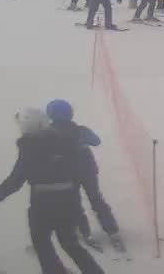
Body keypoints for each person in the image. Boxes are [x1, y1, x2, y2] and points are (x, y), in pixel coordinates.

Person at [0, 108, 105, 274]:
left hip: (42, 208)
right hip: (69, 204)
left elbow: (14, 182)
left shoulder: (29, 149)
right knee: (70, 244)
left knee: (42, 245)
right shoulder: (66, 142)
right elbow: (81, 170)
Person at [45, 99, 121, 250]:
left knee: (75, 203)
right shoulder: (80, 130)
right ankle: (111, 230)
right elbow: (96, 141)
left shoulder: (49, 133)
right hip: (87, 171)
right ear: (70, 113)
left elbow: (45, 154)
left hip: (66, 175)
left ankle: (86, 232)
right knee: (96, 199)